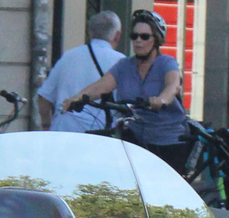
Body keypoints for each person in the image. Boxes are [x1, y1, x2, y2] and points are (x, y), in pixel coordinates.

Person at [65, 10, 192, 171]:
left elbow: (173, 85)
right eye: (134, 36)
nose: (138, 41)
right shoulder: (124, 66)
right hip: (136, 137)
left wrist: (161, 100)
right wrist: (76, 98)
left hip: (167, 141)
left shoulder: (166, 63)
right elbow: (101, 86)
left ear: (156, 40)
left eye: (144, 36)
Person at [37, 10, 124, 133]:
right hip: (99, 133)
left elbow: (44, 97)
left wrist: (46, 125)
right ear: (117, 36)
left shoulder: (68, 56)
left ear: (90, 32)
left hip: (63, 130)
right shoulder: (121, 62)